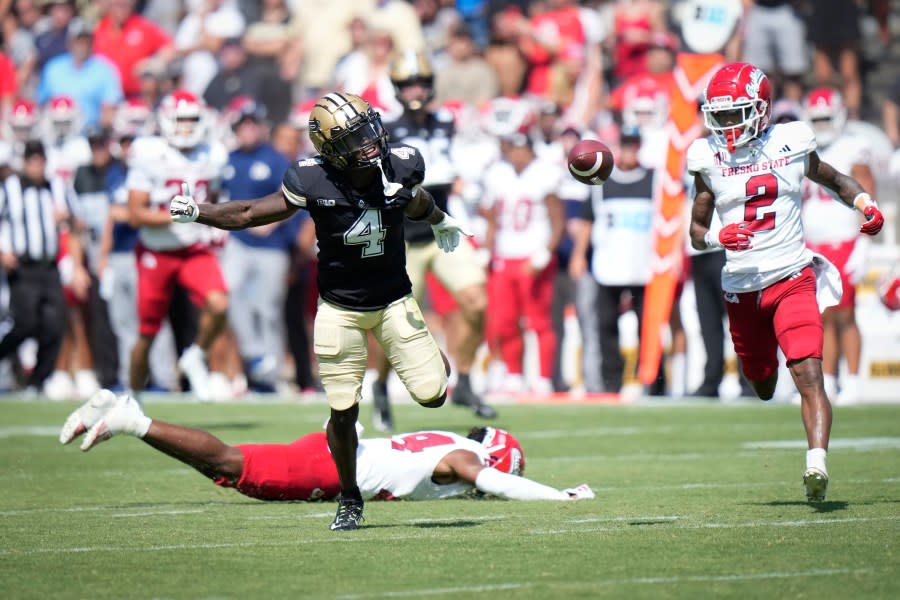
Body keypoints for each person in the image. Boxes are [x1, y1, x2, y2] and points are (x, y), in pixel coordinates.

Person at [169, 92, 473, 531]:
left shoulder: (402, 163)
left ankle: (425, 358)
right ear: (331, 150)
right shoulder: (312, 178)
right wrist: (201, 212)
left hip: (393, 301)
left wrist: (441, 219)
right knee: (343, 408)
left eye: (370, 129)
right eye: (356, 139)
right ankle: (350, 497)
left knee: (433, 394)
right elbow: (251, 211)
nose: (370, 143)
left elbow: (415, 199)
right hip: (339, 309)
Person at [688, 63, 885, 502]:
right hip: (742, 285)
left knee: (809, 374)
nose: (726, 125)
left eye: (734, 114)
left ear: (761, 110)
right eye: (718, 116)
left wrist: (864, 202)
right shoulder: (707, 159)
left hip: (793, 275)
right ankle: (763, 375)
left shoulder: (790, 143)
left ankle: (816, 464)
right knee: (761, 382)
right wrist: (719, 235)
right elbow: (696, 233)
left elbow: (832, 178)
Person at [60, 389, 596, 502]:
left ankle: (132, 421)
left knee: (227, 470)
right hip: (337, 465)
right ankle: (131, 418)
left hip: (341, 455)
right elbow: (488, 477)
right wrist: (559, 497)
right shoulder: (466, 457)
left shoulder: (457, 441)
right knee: (232, 467)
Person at [373, 50, 494, 431]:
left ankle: (467, 380)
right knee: (394, 321)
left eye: (421, 83)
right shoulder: (385, 131)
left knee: (476, 301)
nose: (415, 91)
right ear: (396, 89)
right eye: (408, 84)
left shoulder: (447, 122)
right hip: (402, 239)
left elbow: (468, 159)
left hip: (442, 228)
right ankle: (378, 386)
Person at [126, 90, 230, 401]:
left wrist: (215, 225)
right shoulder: (148, 153)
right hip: (156, 252)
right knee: (147, 333)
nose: (186, 127)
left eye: (191, 120)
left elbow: (212, 197)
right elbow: (135, 214)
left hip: (193, 250)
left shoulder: (212, 154)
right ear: (166, 120)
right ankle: (132, 397)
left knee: (220, 304)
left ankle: (196, 354)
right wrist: (177, 214)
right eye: (180, 120)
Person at [800, 88, 875, 405]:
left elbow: (867, 197)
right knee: (821, 317)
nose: (822, 124)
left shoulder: (852, 147)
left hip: (843, 241)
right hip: (812, 245)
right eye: (816, 118)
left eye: (826, 117)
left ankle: (854, 380)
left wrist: (864, 243)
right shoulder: (804, 149)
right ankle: (828, 379)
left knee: (845, 315)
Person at [0, 140, 89, 394]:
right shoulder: (9, 189)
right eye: (32, 159)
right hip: (22, 267)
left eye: (40, 158)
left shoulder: (58, 188)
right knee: (25, 323)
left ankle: (37, 383)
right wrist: (3, 253)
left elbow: (78, 225)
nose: (37, 164)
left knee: (55, 325)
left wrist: (68, 218)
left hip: (50, 267)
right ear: (25, 162)